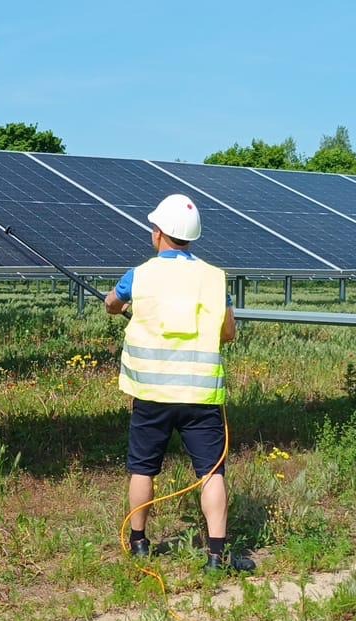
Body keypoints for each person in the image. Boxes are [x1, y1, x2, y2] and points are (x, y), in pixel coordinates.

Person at [103, 193, 254, 573]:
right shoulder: (214, 278)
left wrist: (122, 306)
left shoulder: (140, 274)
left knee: (143, 468)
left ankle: (138, 543)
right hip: (201, 395)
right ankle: (216, 555)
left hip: (151, 394)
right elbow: (229, 332)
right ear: (192, 237)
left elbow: (110, 304)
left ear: (158, 234)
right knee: (211, 473)